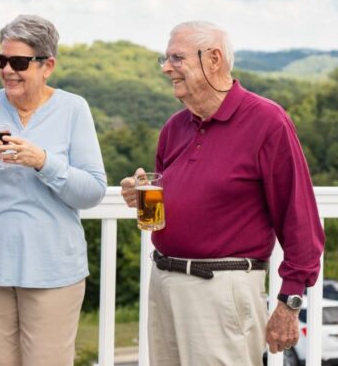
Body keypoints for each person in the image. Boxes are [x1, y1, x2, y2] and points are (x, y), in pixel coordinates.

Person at [121, 21, 325, 365]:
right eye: (165, 58)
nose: (166, 67)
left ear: (213, 59)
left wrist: (289, 303)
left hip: (222, 290)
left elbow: (299, 218)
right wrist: (139, 194)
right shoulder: (175, 127)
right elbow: (182, 199)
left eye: (177, 58)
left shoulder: (267, 121)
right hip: (165, 282)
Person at [0, 14, 107, 366]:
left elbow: (93, 190)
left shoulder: (74, 109)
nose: (7, 71)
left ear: (47, 65)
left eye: (18, 62)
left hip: (52, 271)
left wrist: (44, 161)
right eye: (1, 61)